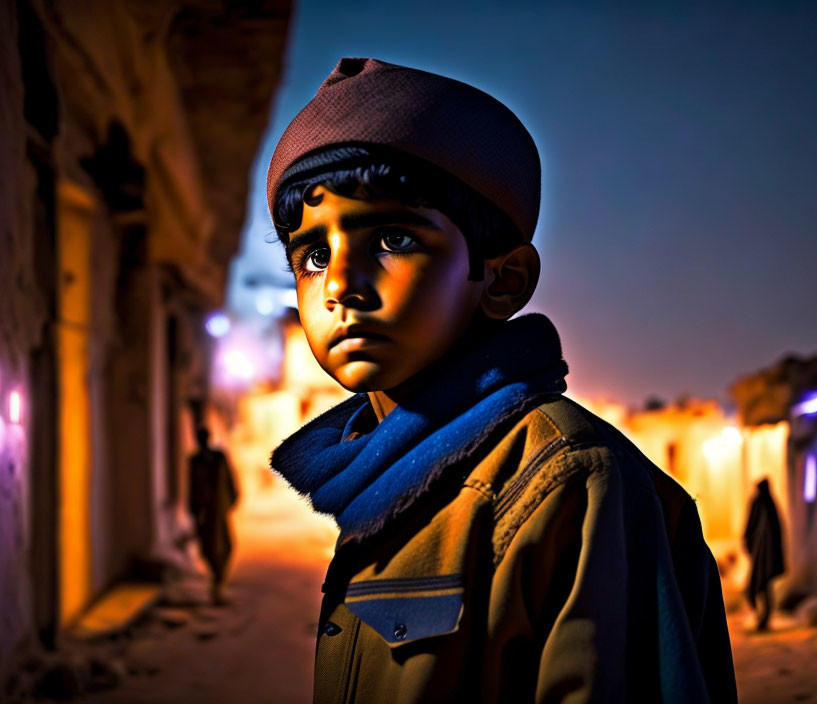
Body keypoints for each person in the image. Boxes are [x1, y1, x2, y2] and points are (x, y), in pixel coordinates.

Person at [267, 57, 737, 703]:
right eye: (313, 255)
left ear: (503, 280)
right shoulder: (380, 470)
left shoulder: (570, 480)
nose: (341, 285)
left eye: (393, 238)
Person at [188, 426, 239, 606]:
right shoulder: (194, 461)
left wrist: (231, 498)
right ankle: (216, 585)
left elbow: (230, 478)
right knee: (208, 548)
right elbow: (192, 488)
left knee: (226, 546)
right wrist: (194, 511)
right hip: (205, 512)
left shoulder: (218, 457)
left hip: (219, 510)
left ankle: (218, 583)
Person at [743, 478, 785, 631]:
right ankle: (762, 618)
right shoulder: (761, 503)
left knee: (764, 585)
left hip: (766, 555)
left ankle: (764, 619)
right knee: (762, 586)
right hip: (761, 554)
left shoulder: (766, 504)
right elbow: (752, 526)